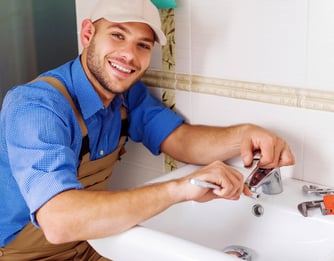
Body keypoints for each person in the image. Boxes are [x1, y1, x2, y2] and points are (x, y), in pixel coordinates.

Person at [0, 0, 295, 259]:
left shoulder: (126, 96)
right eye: (118, 35)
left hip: (90, 245)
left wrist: (246, 135)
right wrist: (182, 188)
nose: (129, 55)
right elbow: (57, 221)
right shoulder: (36, 107)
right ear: (88, 34)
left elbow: (181, 140)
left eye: (143, 45)